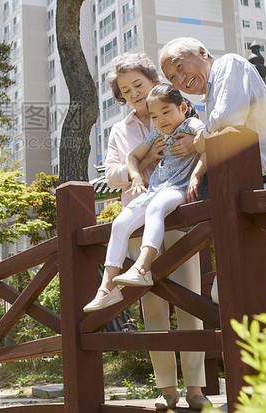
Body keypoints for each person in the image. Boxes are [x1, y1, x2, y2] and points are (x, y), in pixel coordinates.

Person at [89, 53, 210, 411]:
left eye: (138, 85)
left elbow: (207, 144)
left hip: (180, 217)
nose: (133, 94)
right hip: (140, 217)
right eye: (125, 91)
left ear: (151, 79)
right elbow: (110, 174)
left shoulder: (179, 110)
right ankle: (167, 389)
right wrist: (143, 162)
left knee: (190, 301)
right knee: (152, 308)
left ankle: (196, 388)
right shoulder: (120, 130)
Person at [159, 37, 266, 300]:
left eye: (179, 66)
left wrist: (201, 138)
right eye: (171, 77)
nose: (179, 79)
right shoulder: (213, 91)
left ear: (201, 51)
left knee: (234, 291)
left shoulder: (228, 65)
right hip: (253, 196)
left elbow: (229, 117)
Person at [84, 85, 205, 303]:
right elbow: (132, 157)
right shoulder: (157, 134)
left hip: (176, 189)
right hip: (154, 190)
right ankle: (107, 288)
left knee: (156, 209)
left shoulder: (191, 124)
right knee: (120, 223)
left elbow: (209, 141)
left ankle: (142, 267)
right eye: (154, 116)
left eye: (166, 112)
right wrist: (137, 178)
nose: (161, 120)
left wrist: (196, 174)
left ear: (183, 107)